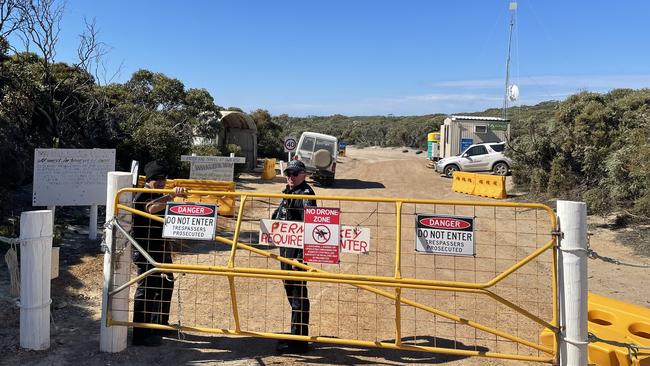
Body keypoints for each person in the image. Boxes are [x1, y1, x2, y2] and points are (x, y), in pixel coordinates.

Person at [131, 160, 187, 346]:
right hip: (146, 250)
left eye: (164, 178)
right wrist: (171, 196)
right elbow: (150, 208)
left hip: (160, 249)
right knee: (147, 290)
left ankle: (159, 325)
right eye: (158, 179)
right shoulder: (142, 195)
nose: (162, 182)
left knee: (165, 285)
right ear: (149, 179)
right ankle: (140, 334)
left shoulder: (158, 193)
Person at [272, 160, 316, 354]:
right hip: (285, 248)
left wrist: (300, 258)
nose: (290, 176)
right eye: (288, 173)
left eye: (295, 173)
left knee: (298, 295)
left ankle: (298, 342)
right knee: (292, 293)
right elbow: (279, 215)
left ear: (303, 174)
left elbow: (310, 227)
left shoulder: (306, 195)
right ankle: (296, 335)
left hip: (296, 251)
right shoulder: (289, 191)